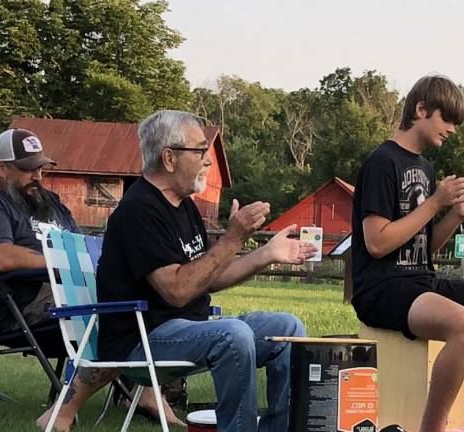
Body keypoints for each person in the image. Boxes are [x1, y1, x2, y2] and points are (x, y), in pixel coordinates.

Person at [91, 110, 317, 432]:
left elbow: (205, 278)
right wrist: (233, 237)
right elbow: (178, 290)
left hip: (189, 330)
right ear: (169, 158)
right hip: (142, 340)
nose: (207, 161)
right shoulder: (139, 209)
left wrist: (265, 254)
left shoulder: (184, 207)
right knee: (232, 334)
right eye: (199, 151)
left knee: (288, 329)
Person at [0, 128, 180, 431]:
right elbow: (0, 258)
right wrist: (63, 263)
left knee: (154, 298)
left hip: (74, 290)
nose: (37, 175)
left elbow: (80, 246)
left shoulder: (50, 202)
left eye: (41, 167)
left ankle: (146, 391)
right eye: (28, 168)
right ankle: (124, 397)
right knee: (120, 311)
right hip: (23, 303)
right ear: (1, 167)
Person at [351, 74, 464, 432]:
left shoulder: (425, 168)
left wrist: (456, 214)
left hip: (419, 281)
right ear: (420, 109)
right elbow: (377, 243)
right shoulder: (382, 162)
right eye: (447, 119)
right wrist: (434, 203)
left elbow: (423, 248)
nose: (453, 130)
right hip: (380, 289)